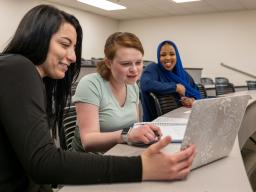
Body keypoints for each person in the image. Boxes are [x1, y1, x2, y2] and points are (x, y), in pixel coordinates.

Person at [0, 5, 196, 192]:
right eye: (64, 44)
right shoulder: (18, 67)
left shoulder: (36, 79)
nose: (73, 57)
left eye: (74, 48)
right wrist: (141, 167)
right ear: (36, 37)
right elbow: (43, 162)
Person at [72, 32, 162, 153]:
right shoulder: (90, 84)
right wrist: (126, 135)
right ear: (108, 63)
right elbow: (88, 141)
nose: (134, 70)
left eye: (139, 62)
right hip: (91, 162)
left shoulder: (132, 86)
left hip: (119, 153)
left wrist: (144, 131)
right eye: (126, 64)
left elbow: (133, 126)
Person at [140, 40, 201, 121]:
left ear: (177, 56)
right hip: (155, 123)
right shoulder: (154, 69)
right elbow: (146, 84)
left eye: (172, 54)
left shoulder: (182, 74)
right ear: (159, 56)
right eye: (163, 55)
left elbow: (196, 91)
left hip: (182, 119)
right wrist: (175, 87)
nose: (168, 58)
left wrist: (192, 100)